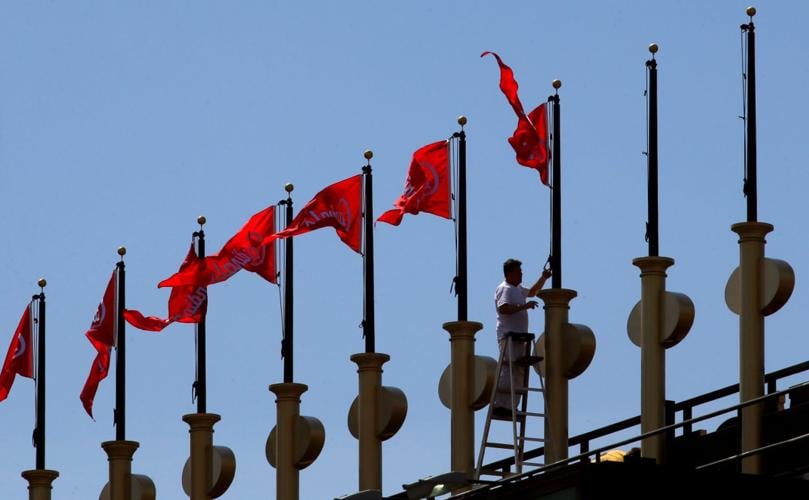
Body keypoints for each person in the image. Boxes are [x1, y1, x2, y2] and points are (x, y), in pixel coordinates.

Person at [492, 258, 552, 419]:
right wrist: (524, 306)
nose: (521, 274)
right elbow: (504, 308)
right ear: (510, 273)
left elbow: (532, 292)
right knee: (509, 368)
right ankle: (500, 405)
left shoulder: (516, 288)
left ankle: (511, 406)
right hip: (508, 335)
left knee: (518, 371)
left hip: (519, 336)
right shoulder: (505, 289)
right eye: (519, 271)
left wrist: (543, 278)